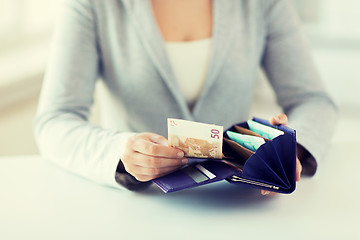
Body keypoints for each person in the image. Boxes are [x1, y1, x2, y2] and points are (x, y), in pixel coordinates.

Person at [34, 0, 337, 195]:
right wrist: (121, 151)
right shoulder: (91, 5)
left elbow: (313, 99)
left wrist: (288, 148)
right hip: (135, 210)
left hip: (237, 208)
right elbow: (56, 119)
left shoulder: (263, 4)